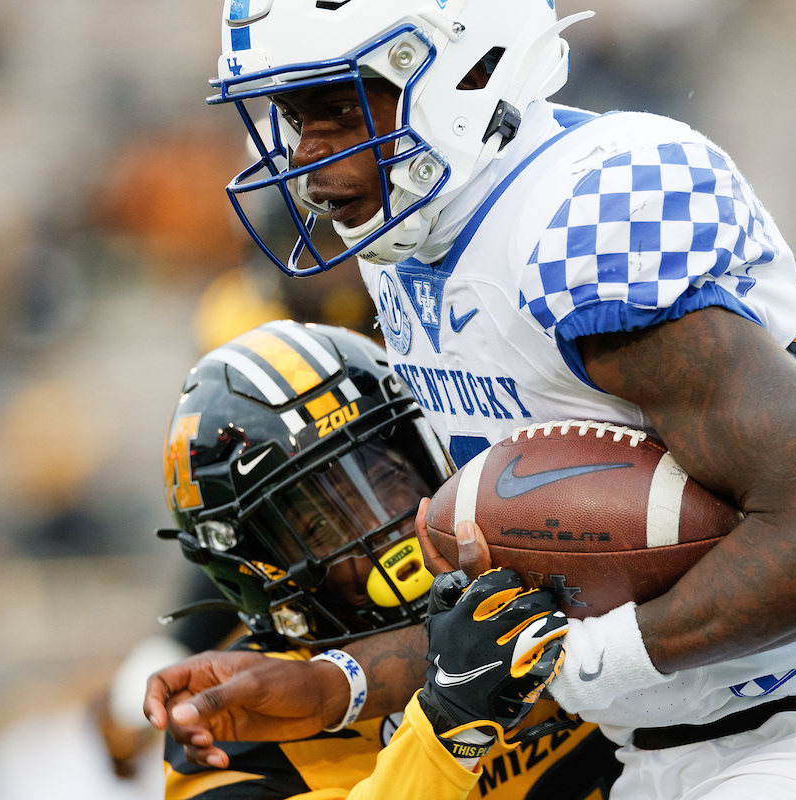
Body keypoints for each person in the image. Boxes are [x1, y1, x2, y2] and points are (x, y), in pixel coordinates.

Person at [151, 3, 796, 797]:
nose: (308, 157)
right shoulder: (408, 250)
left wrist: (581, 665)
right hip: (667, 760)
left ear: (463, 67)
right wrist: (338, 685)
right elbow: (539, 599)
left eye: (338, 107)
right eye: (294, 116)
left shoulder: (580, 214)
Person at [154, 319, 621, 799]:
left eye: (388, 479)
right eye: (319, 527)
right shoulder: (233, 727)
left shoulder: (539, 559)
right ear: (256, 569)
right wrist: (448, 726)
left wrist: (336, 686)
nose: (386, 533)